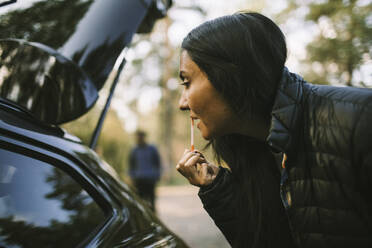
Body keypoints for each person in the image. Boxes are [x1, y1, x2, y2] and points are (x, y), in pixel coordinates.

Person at [176, 11, 372, 248]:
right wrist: (217, 190)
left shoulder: (361, 120)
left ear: (230, 74)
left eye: (186, 83)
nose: (182, 103)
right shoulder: (253, 149)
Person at [129, 130, 161, 212]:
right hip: (139, 180)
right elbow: (131, 165)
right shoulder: (134, 150)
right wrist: (132, 177)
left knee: (152, 202)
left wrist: (157, 175)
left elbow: (157, 163)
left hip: (150, 179)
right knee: (140, 203)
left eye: (141, 137)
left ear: (144, 137)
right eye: (138, 137)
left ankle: (153, 218)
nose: (139, 139)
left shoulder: (152, 149)